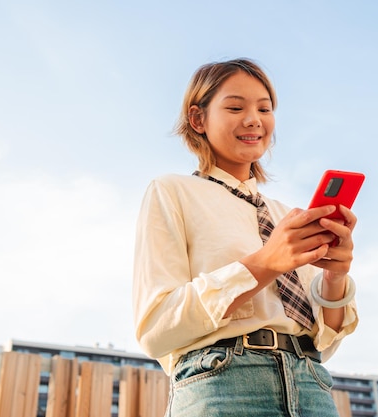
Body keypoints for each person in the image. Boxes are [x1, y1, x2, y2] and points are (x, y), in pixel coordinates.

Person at [133, 58, 359, 417]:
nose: (254, 119)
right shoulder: (172, 191)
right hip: (222, 384)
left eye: (265, 108)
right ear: (198, 119)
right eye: (236, 107)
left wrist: (335, 276)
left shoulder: (289, 216)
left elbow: (325, 340)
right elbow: (156, 327)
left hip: (311, 384)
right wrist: (265, 263)